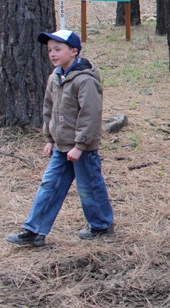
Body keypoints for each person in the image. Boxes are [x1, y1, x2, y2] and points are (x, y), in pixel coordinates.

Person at [6, 30, 114, 247]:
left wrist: (80, 145)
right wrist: (49, 138)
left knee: (89, 186)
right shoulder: (55, 78)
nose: (53, 54)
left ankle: (101, 225)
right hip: (61, 146)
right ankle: (34, 231)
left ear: (74, 51)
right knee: (49, 185)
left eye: (58, 49)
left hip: (82, 149)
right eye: (50, 50)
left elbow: (90, 114)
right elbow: (49, 109)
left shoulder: (85, 80)